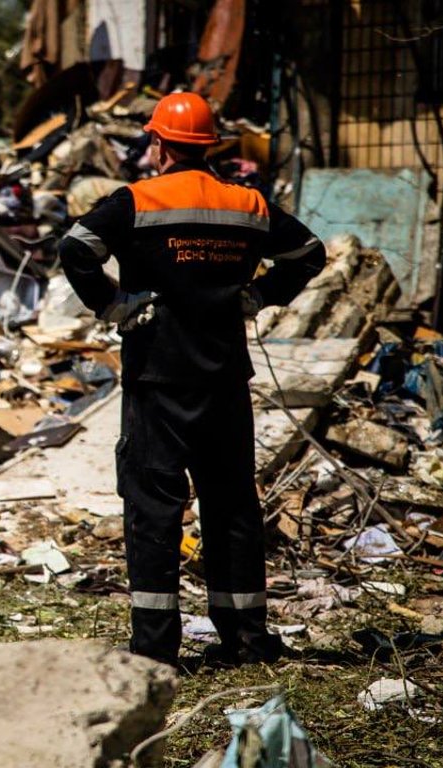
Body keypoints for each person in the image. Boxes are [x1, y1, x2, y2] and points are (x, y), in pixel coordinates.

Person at [57, 92, 326, 666]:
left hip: (157, 381)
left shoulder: (137, 200)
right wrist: (259, 295)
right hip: (225, 381)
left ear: (159, 145)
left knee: (154, 509)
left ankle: (155, 652)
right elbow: (308, 252)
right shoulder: (248, 204)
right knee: (231, 508)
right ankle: (246, 640)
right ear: (209, 147)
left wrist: (115, 306)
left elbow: (76, 248)